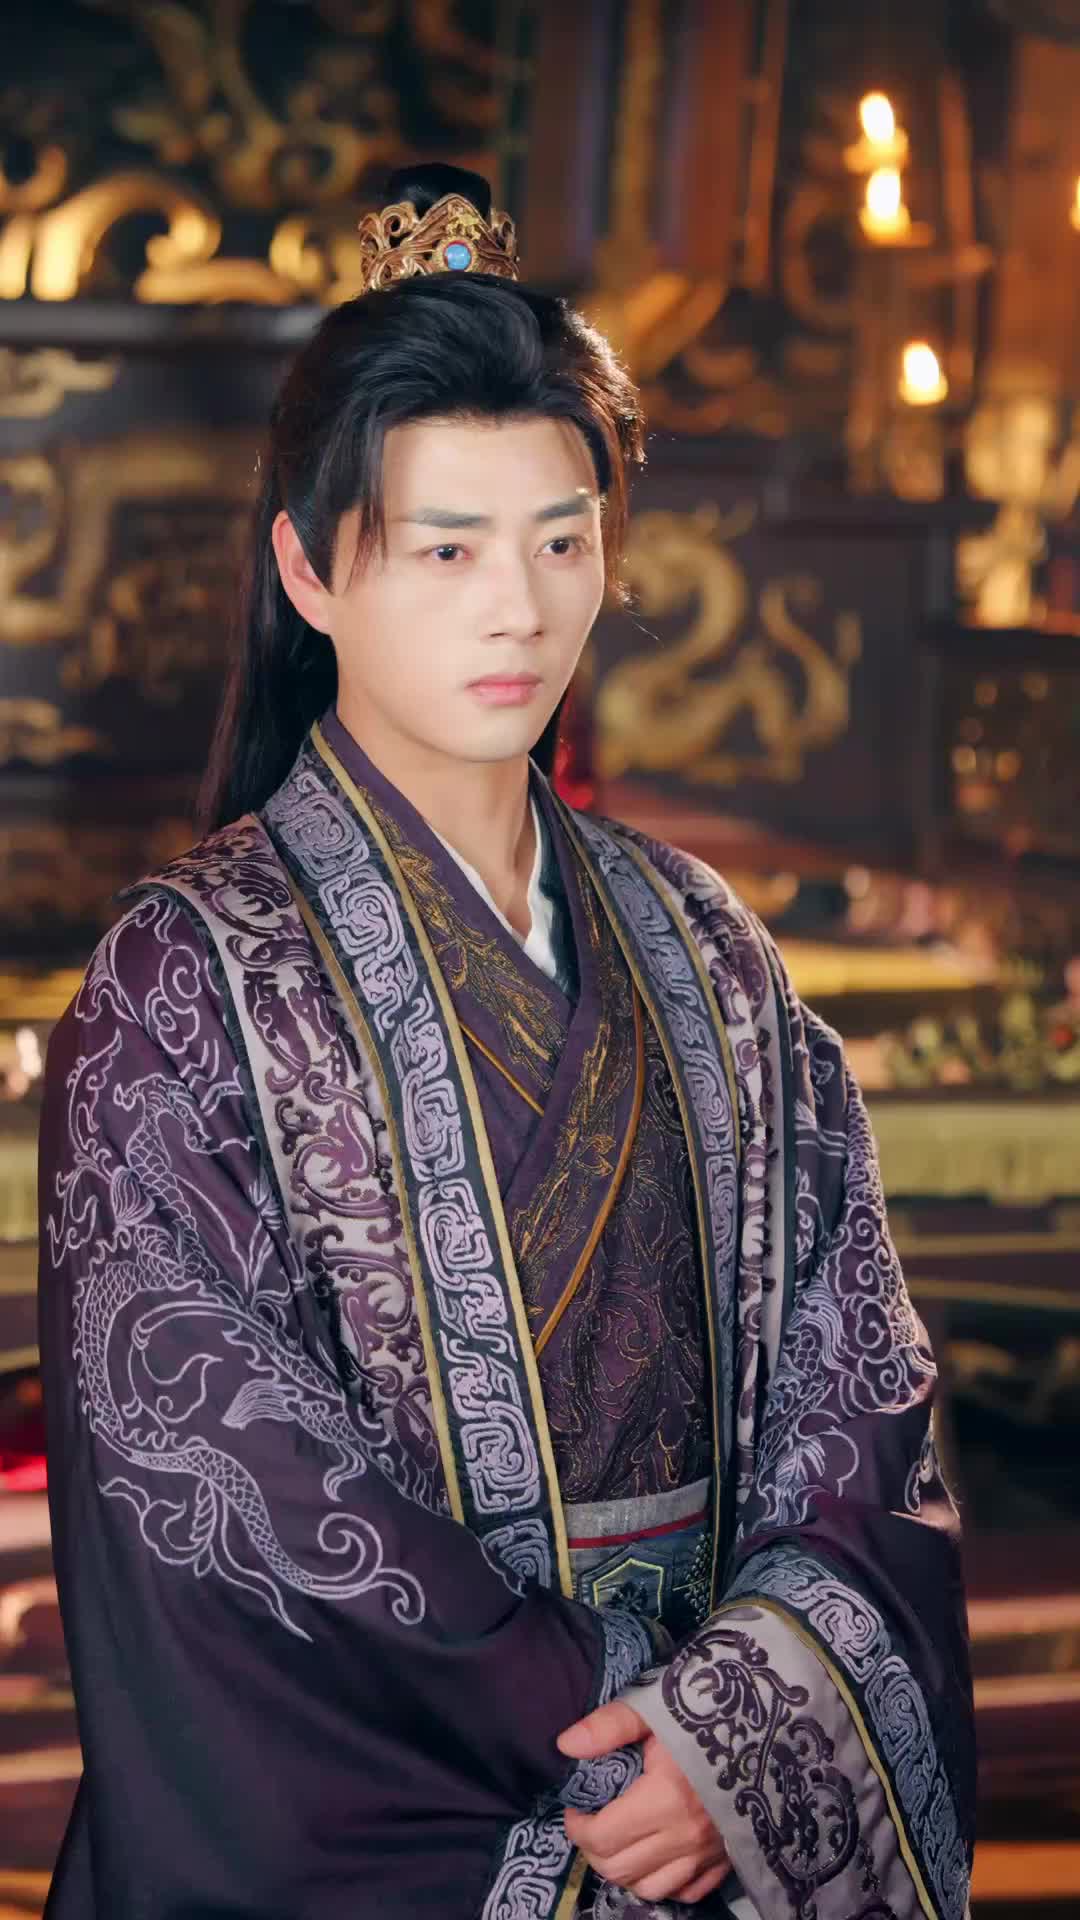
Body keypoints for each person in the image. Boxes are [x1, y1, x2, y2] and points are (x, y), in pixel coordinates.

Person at [37, 162, 974, 1920]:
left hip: (710, 1788)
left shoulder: (708, 945)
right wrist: (626, 1745)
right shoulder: (184, 983)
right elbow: (232, 1499)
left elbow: (856, 1389)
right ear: (308, 568)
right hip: (402, 1813)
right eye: (447, 547)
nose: (519, 608)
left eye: (562, 538)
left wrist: (739, 1733)